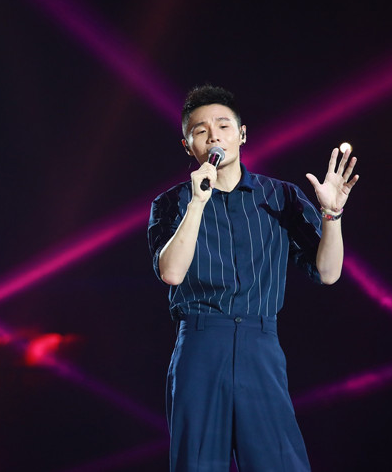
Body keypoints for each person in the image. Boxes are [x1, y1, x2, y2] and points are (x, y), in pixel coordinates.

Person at [147, 85, 359, 471]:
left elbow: (328, 273)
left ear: (242, 134)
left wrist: (332, 215)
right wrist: (197, 202)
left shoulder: (281, 197)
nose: (213, 136)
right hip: (200, 343)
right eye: (200, 131)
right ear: (187, 146)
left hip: (260, 342)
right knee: (198, 463)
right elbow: (172, 272)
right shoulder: (171, 203)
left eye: (223, 126)